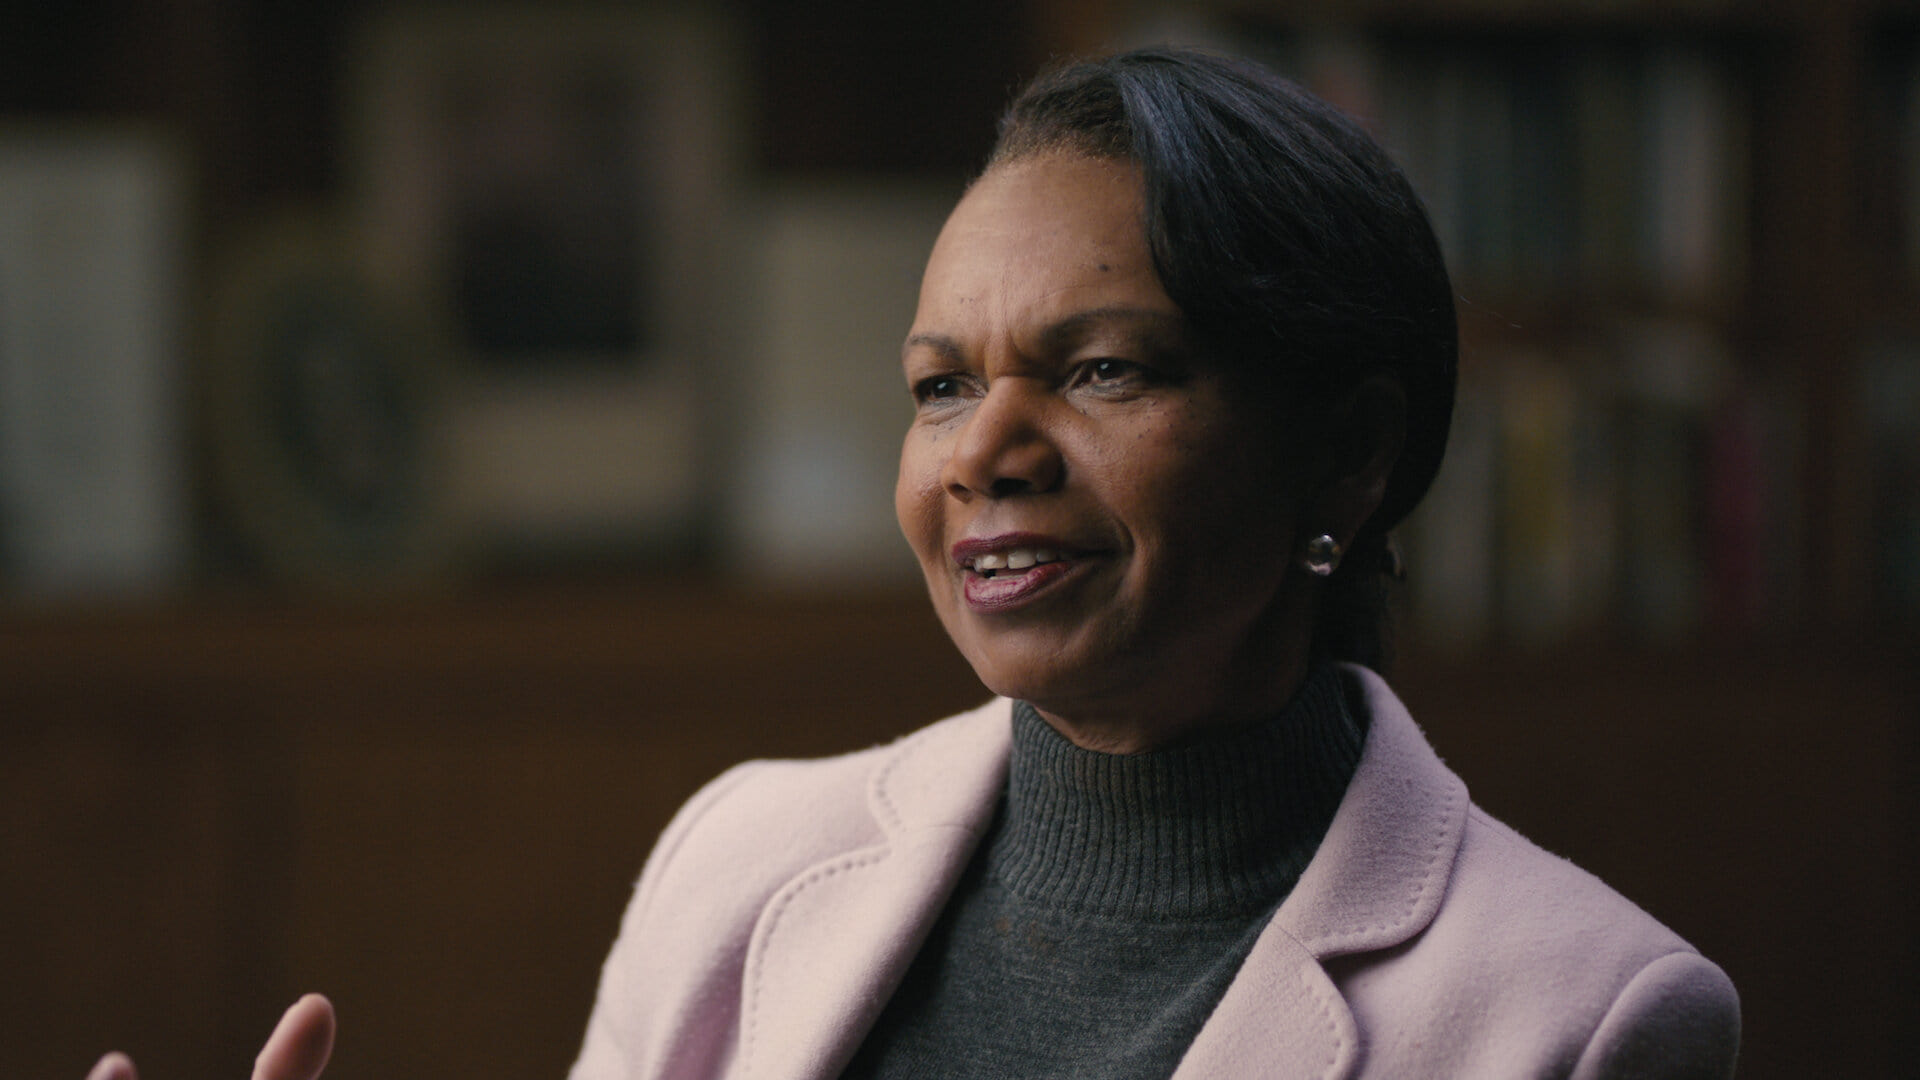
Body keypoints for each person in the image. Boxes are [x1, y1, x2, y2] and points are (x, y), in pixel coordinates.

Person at [91, 46, 1739, 1080]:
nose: (982, 453)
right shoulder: (743, 860)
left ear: (1351, 453)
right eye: (941, 386)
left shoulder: (1585, 1013)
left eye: (1104, 369)